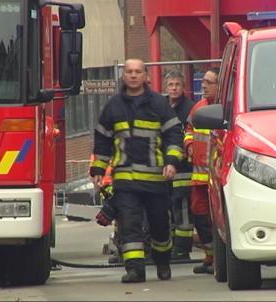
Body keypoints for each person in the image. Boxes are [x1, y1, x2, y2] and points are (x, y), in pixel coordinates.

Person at [90, 58, 183, 283]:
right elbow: (103, 140)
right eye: (129, 72)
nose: (133, 75)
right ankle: (135, 270)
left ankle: (162, 262)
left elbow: (174, 135)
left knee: (160, 226)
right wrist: (98, 169)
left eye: (138, 72)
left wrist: (171, 161)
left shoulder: (160, 104)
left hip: (155, 179)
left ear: (146, 76)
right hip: (125, 179)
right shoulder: (113, 106)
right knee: (129, 226)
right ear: (124, 76)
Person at [184, 67, 219, 274]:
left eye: (208, 82)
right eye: (203, 81)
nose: (203, 85)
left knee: (217, 220)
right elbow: (188, 130)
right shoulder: (198, 108)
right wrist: (188, 145)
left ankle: (218, 259)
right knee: (201, 217)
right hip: (199, 176)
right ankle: (210, 257)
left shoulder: (227, 108)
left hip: (218, 176)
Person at [164, 70, 195, 260]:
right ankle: (172, 245)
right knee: (169, 208)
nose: (174, 88)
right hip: (166, 168)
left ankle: (182, 249)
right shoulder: (163, 108)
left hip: (183, 169)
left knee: (183, 209)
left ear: (183, 88)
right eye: (171, 85)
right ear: (165, 88)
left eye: (177, 85)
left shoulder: (189, 109)